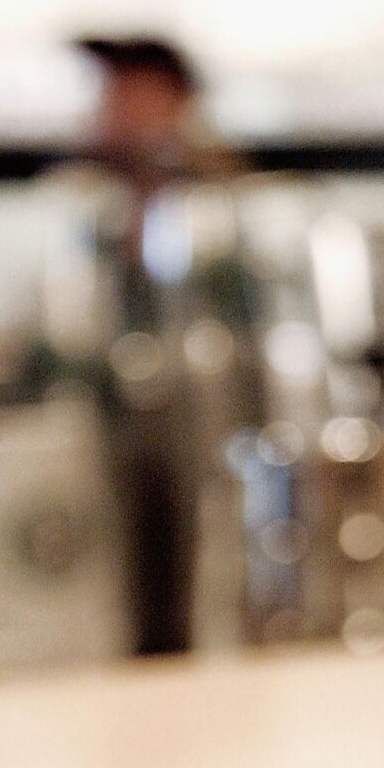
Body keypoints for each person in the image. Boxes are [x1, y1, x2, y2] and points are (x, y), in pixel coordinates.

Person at [49, 35, 236, 656]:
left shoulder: (221, 203)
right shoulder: (77, 206)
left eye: (127, 89)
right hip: (97, 432)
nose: (110, 107)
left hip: (209, 429)